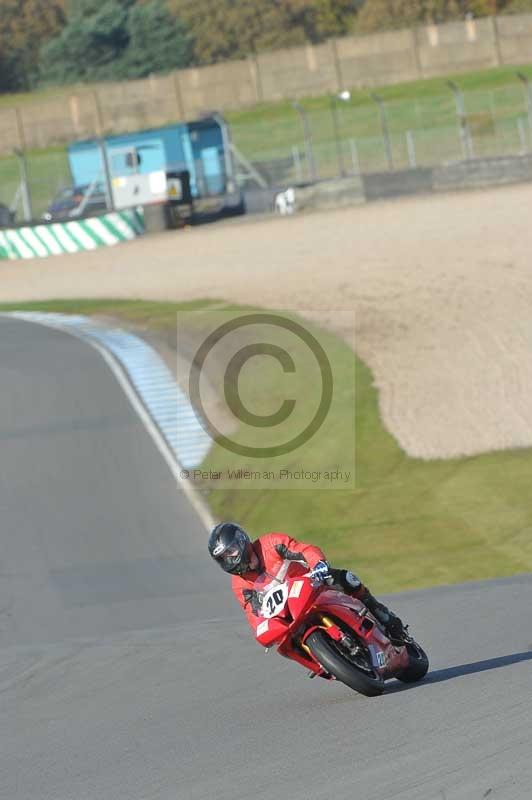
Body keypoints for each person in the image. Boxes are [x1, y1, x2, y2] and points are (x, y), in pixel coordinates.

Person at [208, 521, 407, 642]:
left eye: (230, 551)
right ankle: (324, 662)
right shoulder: (239, 584)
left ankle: (385, 618)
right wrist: (263, 631)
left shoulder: (270, 543)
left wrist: (318, 564)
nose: (230, 558)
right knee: (284, 645)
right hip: (288, 615)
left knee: (348, 579)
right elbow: (254, 614)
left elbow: (304, 549)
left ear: (241, 541)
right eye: (223, 557)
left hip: (313, 586)